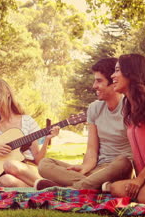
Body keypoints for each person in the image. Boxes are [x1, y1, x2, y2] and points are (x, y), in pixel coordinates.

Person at [36, 58, 133, 190]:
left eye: (99, 81)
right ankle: (97, 186)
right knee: (44, 164)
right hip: (96, 169)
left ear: (113, 82)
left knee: (123, 162)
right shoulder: (94, 108)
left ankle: (65, 189)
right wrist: (85, 167)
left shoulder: (129, 107)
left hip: (118, 169)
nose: (94, 86)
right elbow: (92, 149)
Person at [107, 54, 145, 205]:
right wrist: (141, 179)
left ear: (132, 73)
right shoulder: (130, 107)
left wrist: (141, 179)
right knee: (116, 188)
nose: (112, 75)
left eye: (118, 70)